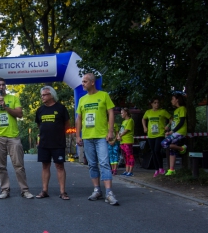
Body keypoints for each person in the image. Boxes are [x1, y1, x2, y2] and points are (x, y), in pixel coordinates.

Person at [0, 77, 34, 199]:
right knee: (1, 166)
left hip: (13, 136)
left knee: (19, 165)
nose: (1, 87)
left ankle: (25, 190)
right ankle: (4, 190)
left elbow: (19, 114)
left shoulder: (13, 99)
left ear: (5, 86)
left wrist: (6, 106)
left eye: (3, 85)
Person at [75, 73, 119, 205]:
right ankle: (97, 190)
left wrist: (110, 131)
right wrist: (78, 135)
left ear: (92, 82)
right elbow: (79, 118)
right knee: (92, 164)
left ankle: (109, 193)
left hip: (101, 136)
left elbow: (111, 113)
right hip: (87, 137)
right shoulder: (82, 99)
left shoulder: (104, 95)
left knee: (104, 163)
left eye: (85, 81)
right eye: (82, 82)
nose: (82, 84)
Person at [34, 86, 70, 200]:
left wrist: (58, 133)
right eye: (41, 95)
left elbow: (67, 124)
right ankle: (44, 191)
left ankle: (63, 192)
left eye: (44, 95)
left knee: (59, 166)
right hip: (44, 143)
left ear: (51, 95)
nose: (42, 97)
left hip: (58, 143)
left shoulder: (61, 108)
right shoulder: (40, 110)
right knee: (45, 166)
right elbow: (39, 125)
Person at [142, 98, 171, 177]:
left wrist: (167, 126)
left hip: (160, 134)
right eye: (155, 103)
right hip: (151, 134)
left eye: (158, 103)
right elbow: (143, 119)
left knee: (156, 150)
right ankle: (156, 169)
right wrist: (144, 127)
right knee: (153, 152)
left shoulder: (163, 111)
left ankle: (161, 168)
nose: (157, 104)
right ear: (151, 104)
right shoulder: (148, 112)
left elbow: (171, 118)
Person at [161, 93, 187, 176]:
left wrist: (173, 131)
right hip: (175, 132)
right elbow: (174, 123)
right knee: (172, 149)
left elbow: (182, 122)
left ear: (177, 100)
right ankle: (172, 169)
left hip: (180, 132)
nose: (171, 101)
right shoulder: (175, 111)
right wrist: (169, 130)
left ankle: (182, 148)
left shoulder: (182, 109)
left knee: (164, 143)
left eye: (172, 99)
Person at [118, 108, 135, 176]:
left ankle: (130, 171)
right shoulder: (123, 122)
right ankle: (126, 170)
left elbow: (126, 130)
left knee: (130, 155)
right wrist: (118, 136)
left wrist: (120, 135)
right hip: (122, 141)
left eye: (122, 113)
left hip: (128, 140)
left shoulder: (130, 121)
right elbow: (121, 130)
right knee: (125, 156)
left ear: (126, 113)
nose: (121, 114)